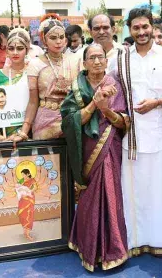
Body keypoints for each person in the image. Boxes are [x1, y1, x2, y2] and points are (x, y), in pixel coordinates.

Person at [110, 8, 162, 258]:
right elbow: (111, 91)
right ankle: (134, 242)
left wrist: (158, 101)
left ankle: (161, 242)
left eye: (145, 27)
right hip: (131, 136)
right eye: (136, 28)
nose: (141, 32)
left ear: (153, 27)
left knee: (161, 191)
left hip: (161, 134)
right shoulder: (119, 59)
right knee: (133, 191)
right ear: (129, 29)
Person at [62, 44, 129, 271]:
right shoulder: (77, 88)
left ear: (106, 61)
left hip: (109, 145)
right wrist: (94, 103)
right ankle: (88, 247)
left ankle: (112, 249)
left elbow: (123, 123)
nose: (97, 61)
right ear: (85, 62)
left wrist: (106, 110)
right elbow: (70, 123)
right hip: (85, 149)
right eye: (92, 57)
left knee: (110, 194)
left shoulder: (115, 85)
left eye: (101, 57)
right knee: (89, 198)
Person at [10, 14, 79, 143]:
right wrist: (24, 131)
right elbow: (33, 101)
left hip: (70, 119)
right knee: (46, 162)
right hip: (45, 123)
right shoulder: (35, 64)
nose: (58, 41)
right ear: (44, 39)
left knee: (70, 161)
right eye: (53, 38)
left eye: (61, 37)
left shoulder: (75, 61)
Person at [0, 28, 31, 139]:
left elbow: (35, 105)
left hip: (27, 133)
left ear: (27, 50)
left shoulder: (33, 73)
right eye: (11, 48)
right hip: (3, 136)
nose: (15, 52)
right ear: (7, 50)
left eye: (20, 48)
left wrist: (23, 132)